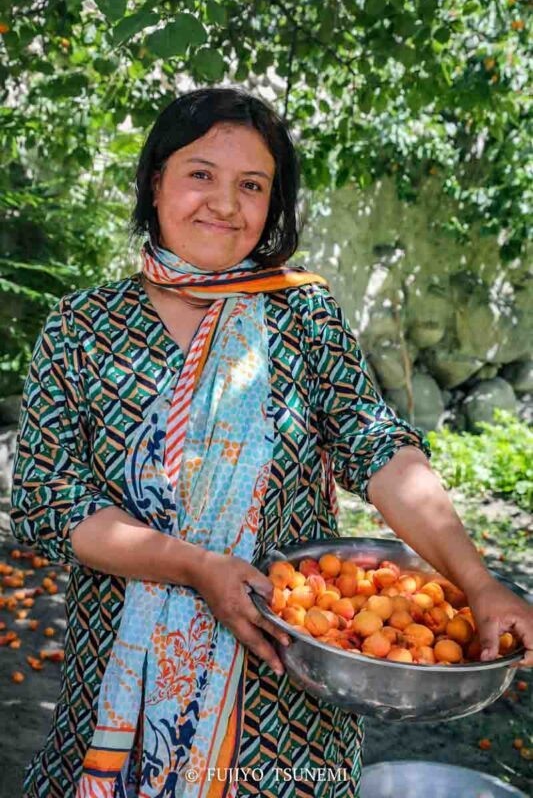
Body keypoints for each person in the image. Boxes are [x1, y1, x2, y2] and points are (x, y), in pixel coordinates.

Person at [10, 86, 532, 798]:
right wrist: (194, 566)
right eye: (201, 174)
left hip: (286, 688)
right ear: (155, 180)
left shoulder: (302, 313)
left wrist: (477, 581)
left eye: (251, 185)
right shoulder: (81, 327)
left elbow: (375, 447)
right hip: (119, 680)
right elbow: (50, 500)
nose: (225, 204)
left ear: (273, 203)